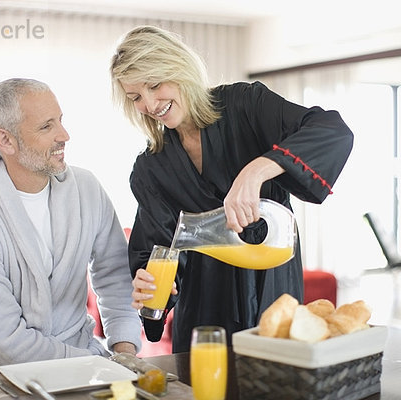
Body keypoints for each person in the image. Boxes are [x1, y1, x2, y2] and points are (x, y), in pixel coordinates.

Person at [110, 25, 354, 353]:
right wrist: (148, 283)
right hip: (203, 314)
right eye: (136, 97)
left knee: (274, 380)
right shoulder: (152, 167)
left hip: (273, 296)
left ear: (179, 69)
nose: (150, 104)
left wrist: (258, 169)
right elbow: (155, 251)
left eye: (155, 85)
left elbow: (331, 130)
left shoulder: (245, 105)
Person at [0, 78, 141, 380]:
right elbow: (8, 344)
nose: (64, 135)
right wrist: (94, 364)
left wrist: (124, 353)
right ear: (5, 140)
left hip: (83, 357)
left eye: (60, 121)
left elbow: (115, 276)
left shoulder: (87, 190)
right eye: (47, 127)